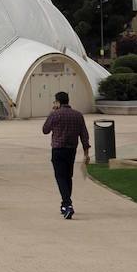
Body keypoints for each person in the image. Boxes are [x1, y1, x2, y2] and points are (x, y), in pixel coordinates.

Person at [42, 91, 90, 219]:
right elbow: (84, 135)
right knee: (68, 176)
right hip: (71, 150)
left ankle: (68, 205)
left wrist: (51, 113)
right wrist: (86, 153)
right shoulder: (78, 115)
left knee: (60, 177)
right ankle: (65, 204)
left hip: (58, 149)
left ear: (57, 102)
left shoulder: (55, 114)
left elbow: (45, 130)